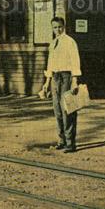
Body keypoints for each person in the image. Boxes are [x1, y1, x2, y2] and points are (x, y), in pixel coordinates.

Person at [39, 17, 81, 153]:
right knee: (57, 110)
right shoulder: (53, 43)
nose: (58, 30)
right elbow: (50, 64)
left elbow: (75, 61)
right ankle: (61, 140)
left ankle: (70, 143)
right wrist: (47, 83)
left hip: (66, 76)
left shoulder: (70, 42)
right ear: (52, 28)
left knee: (67, 109)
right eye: (55, 27)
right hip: (55, 78)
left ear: (64, 27)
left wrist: (74, 81)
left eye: (60, 27)